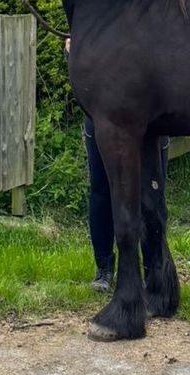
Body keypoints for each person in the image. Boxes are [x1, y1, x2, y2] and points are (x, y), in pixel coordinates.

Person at [65, 39, 169, 292]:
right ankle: (104, 269)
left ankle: (154, 271)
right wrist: (73, 49)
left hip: (150, 119)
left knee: (152, 195)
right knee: (101, 190)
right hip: (104, 119)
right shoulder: (96, 22)